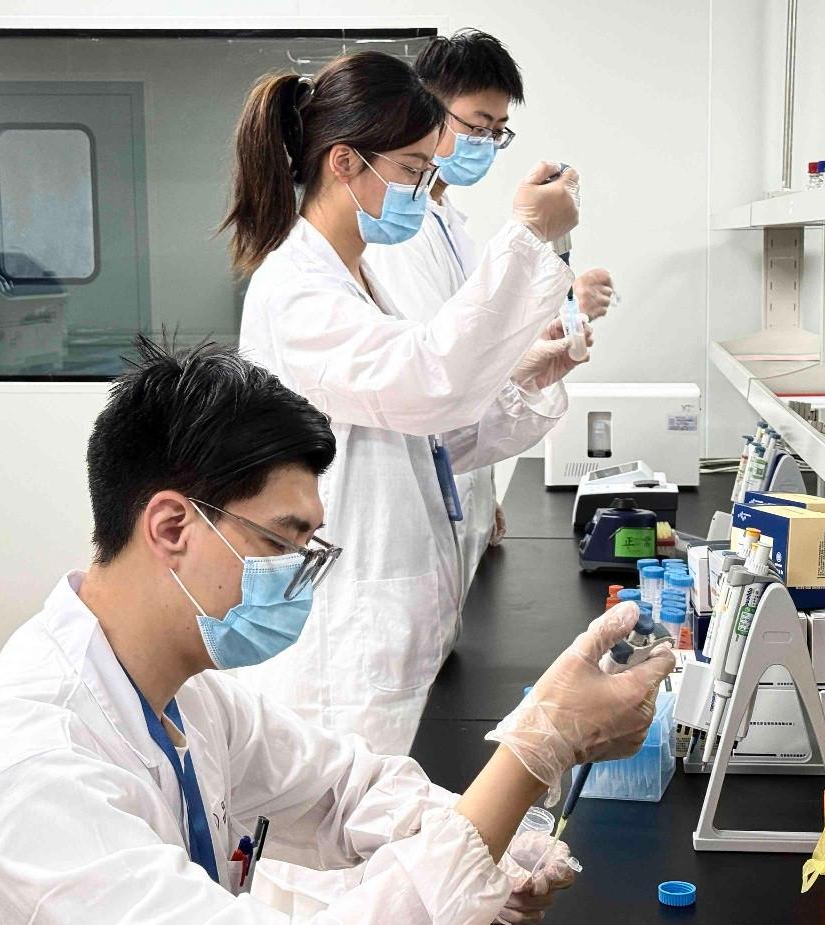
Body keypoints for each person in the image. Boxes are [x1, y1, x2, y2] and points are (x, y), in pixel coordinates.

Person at [0, 338, 674, 925]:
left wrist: (493, 835)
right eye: (281, 542)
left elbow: (341, 789)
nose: (296, 575)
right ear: (172, 526)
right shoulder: (35, 767)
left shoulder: (182, 692)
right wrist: (534, 749)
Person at [230, 50, 586, 758]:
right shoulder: (296, 291)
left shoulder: (360, 280)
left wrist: (523, 380)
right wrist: (526, 237)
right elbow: (430, 381)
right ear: (344, 163)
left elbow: (428, 438)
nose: (425, 189)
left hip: (393, 611)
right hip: (346, 629)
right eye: (413, 169)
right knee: (341, 816)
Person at [366, 30, 617, 588]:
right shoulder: (394, 236)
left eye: (497, 131)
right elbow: (437, 372)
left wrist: (482, 498)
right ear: (424, 107)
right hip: (407, 523)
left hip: (456, 498)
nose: (485, 143)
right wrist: (532, 239)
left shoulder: (446, 221)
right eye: (476, 126)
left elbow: (474, 348)